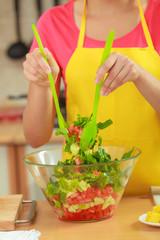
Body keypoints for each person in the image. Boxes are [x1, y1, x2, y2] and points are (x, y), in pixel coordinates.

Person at [23, 0, 160, 196]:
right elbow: (35, 138)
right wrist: (42, 83)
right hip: (84, 196)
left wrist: (140, 75)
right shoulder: (54, 23)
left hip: (156, 196)